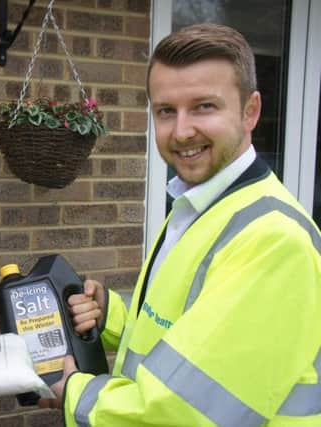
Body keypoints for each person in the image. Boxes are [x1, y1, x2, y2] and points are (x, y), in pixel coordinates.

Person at [40, 23, 321, 426]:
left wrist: (76, 393)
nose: (182, 131)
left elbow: (183, 412)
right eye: (166, 111)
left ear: (250, 111)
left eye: (204, 106)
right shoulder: (197, 203)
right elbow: (179, 329)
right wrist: (110, 317)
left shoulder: (274, 241)